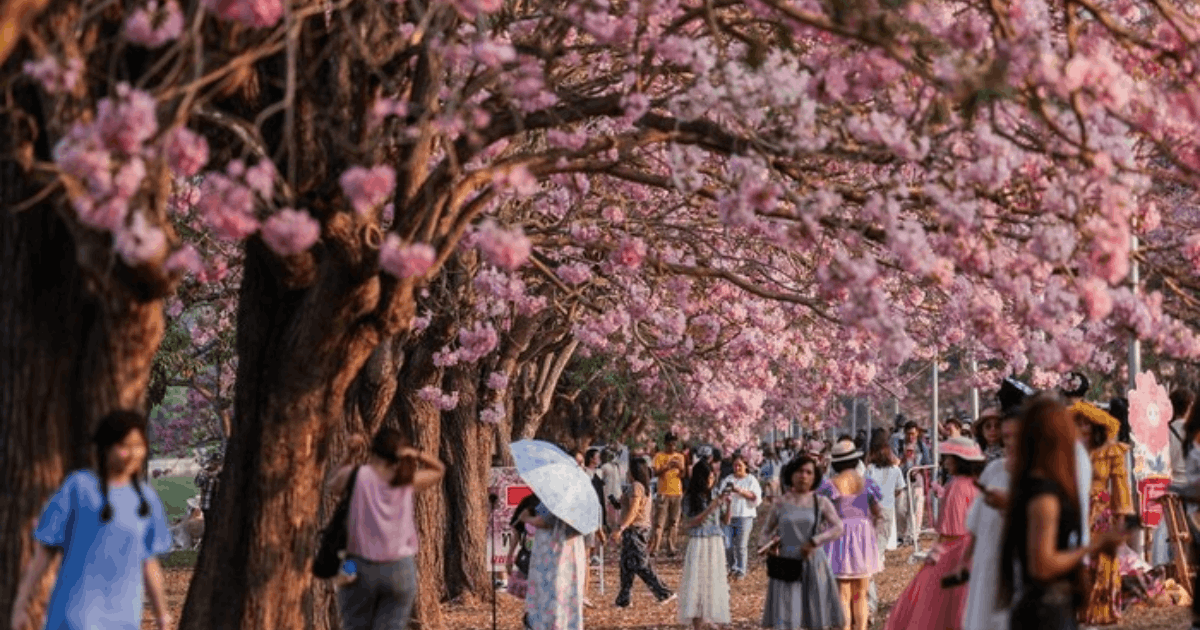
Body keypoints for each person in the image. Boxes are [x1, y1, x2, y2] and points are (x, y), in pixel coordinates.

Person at [10, 410, 172, 630]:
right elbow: (43, 555)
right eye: (125, 446)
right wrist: (21, 605)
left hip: (125, 619)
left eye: (139, 446)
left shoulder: (147, 499)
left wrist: (162, 615)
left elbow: (149, 562)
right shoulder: (78, 487)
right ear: (106, 448)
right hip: (75, 617)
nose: (133, 454)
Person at [999, 395, 1126, 630]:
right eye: (1071, 425)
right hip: (1045, 610)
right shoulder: (1044, 496)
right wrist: (1092, 548)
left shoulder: (1033, 484)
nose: (1078, 432)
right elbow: (1043, 564)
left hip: (1047, 606)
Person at [327, 427, 445, 630]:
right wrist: (415, 453)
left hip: (356, 565)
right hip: (400, 567)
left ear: (373, 451)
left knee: (354, 624)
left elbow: (332, 486)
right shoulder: (405, 480)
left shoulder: (358, 476)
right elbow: (439, 470)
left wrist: (349, 455)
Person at [884, 436, 984, 630]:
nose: (945, 463)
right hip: (974, 554)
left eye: (949, 458)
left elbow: (951, 531)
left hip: (953, 555)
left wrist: (934, 556)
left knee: (931, 608)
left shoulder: (957, 486)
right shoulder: (978, 484)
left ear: (958, 460)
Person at [761, 456, 845, 630]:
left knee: (815, 615)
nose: (803, 476)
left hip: (814, 562)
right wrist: (767, 546)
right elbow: (765, 531)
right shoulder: (780, 504)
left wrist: (816, 541)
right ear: (791, 474)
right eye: (800, 471)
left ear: (815, 477)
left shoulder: (821, 502)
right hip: (786, 562)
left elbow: (838, 527)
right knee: (786, 616)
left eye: (809, 472)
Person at [1072, 401, 1134, 625]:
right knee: (1078, 561)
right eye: (1077, 422)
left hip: (1101, 515)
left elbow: (1120, 485)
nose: (1082, 427)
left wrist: (1121, 516)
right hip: (1076, 512)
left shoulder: (1111, 451)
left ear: (1097, 425)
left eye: (1086, 422)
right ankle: (1079, 609)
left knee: (1103, 561)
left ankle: (1102, 610)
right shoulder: (1068, 452)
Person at [961, 408, 1019, 630]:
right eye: (989, 427)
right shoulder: (991, 466)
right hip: (987, 560)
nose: (993, 432)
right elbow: (975, 525)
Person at [818, 441, 882, 630]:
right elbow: (878, 512)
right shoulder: (868, 483)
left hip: (840, 537)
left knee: (843, 595)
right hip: (863, 537)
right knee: (861, 594)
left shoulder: (830, 485)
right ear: (856, 460)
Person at [613, 457, 675, 607]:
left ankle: (664, 592)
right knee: (626, 565)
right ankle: (623, 599)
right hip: (635, 528)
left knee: (641, 564)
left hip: (636, 529)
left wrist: (621, 528)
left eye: (629, 469)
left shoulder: (636, 486)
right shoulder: (638, 487)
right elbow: (628, 506)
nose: (627, 472)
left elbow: (634, 510)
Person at [678, 460, 732, 629]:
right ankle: (697, 619)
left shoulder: (715, 494)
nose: (712, 480)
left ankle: (710, 615)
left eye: (713, 477)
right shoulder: (690, 497)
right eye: (709, 477)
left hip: (715, 541)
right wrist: (712, 507)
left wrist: (728, 505)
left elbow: (726, 520)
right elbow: (691, 522)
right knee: (697, 579)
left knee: (713, 578)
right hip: (699, 541)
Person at [523, 493, 587, 630]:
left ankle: (550, 624)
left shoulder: (556, 495)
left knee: (552, 588)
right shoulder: (581, 498)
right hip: (573, 547)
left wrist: (526, 518)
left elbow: (544, 521)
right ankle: (568, 623)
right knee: (568, 588)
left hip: (553, 548)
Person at [1151, 388, 1193, 566]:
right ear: (1191, 406)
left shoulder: (1164, 433)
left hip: (1173, 494)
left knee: (1167, 534)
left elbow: (1159, 465)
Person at [718, 453, 763, 580]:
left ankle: (741, 570)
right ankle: (732, 567)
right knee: (727, 544)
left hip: (745, 516)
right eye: (735, 465)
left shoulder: (751, 480)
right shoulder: (728, 479)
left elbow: (756, 498)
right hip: (729, 516)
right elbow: (720, 495)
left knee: (741, 545)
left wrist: (740, 491)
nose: (737, 468)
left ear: (745, 466)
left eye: (739, 465)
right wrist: (725, 496)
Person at [864, 437, 905, 553]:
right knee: (883, 538)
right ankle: (878, 561)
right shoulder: (896, 470)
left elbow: (864, 487)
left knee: (872, 537)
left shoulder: (870, 469)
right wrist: (891, 495)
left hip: (872, 507)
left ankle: (873, 561)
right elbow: (899, 488)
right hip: (887, 507)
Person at [650, 432, 687, 557]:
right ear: (665, 444)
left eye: (675, 444)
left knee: (674, 522)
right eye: (670, 444)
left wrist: (681, 469)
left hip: (676, 492)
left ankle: (671, 547)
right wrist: (668, 466)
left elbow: (682, 475)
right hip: (663, 492)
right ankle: (656, 548)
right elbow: (655, 473)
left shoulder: (680, 456)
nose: (673, 446)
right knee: (659, 522)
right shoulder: (659, 456)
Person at [896, 421, 929, 546]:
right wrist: (903, 458)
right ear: (904, 433)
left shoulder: (921, 446)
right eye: (909, 434)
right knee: (900, 508)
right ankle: (901, 534)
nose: (911, 437)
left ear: (917, 433)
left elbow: (927, 462)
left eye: (913, 434)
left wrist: (919, 469)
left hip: (917, 480)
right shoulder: (898, 445)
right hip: (902, 481)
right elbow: (894, 462)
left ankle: (913, 535)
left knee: (916, 508)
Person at [506, 494, 542, 601]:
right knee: (530, 598)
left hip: (550, 559)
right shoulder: (529, 501)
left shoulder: (556, 503)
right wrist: (509, 556)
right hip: (528, 559)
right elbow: (517, 530)